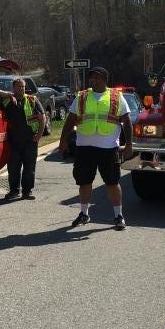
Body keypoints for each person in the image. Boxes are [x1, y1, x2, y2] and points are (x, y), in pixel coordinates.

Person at [59, 67, 133, 231]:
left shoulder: (116, 96)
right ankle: (84, 214)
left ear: (105, 80)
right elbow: (70, 120)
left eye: (97, 78)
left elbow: (126, 121)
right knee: (84, 181)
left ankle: (118, 216)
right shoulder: (82, 96)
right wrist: (63, 140)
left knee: (112, 182)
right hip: (85, 148)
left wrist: (129, 144)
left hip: (108, 148)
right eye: (91, 77)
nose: (93, 80)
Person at [0, 79, 46, 201]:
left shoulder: (32, 100)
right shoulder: (7, 101)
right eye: (19, 87)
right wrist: (7, 95)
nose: (22, 89)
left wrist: (38, 136)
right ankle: (14, 191)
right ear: (13, 88)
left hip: (30, 140)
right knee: (13, 168)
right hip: (13, 142)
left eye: (23, 86)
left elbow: (42, 118)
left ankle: (27, 192)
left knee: (29, 168)